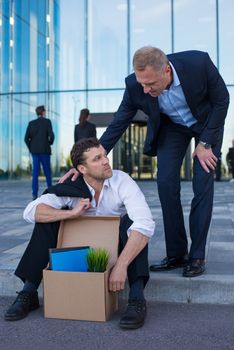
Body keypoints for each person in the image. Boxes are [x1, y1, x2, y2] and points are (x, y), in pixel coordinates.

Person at [61, 46, 229, 278]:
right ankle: (176, 253)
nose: (145, 89)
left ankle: (197, 255)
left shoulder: (198, 63)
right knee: (166, 182)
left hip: (206, 125)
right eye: (142, 84)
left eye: (151, 84)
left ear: (167, 70)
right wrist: (86, 160)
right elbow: (119, 122)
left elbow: (222, 100)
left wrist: (206, 143)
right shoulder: (135, 85)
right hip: (172, 128)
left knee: (202, 184)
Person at [4, 138, 155, 330]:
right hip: (79, 248)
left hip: (115, 248)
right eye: (97, 158)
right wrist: (70, 213)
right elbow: (30, 211)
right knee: (47, 221)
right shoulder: (71, 186)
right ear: (82, 169)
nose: (106, 161)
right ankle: (29, 291)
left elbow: (145, 223)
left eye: (105, 155)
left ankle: (136, 297)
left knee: (134, 224)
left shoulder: (121, 180)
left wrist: (121, 266)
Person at [24, 105, 55, 200]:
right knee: (47, 173)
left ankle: (34, 194)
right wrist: (49, 143)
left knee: (35, 174)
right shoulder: (47, 122)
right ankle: (51, 193)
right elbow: (52, 136)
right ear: (43, 112)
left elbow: (26, 139)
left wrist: (31, 148)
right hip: (45, 151)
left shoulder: (31, 123)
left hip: (35, 152)